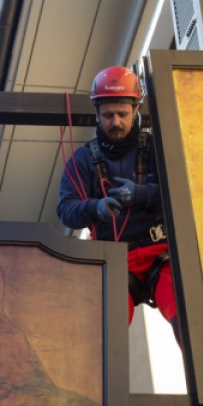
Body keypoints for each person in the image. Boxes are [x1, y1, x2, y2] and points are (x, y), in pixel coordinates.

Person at [57, 66, 178, 342]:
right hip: (114, 260)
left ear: (136, 110)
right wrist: (94, 208)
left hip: (161, 252)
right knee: (103, 336)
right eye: (108, 115)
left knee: (187, 319)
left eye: (123, 114)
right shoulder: (83, 160)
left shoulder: (157, 148)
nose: (116, 122)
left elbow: (183, 193)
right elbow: (65, 209)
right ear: (97, 114)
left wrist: (142, 194)